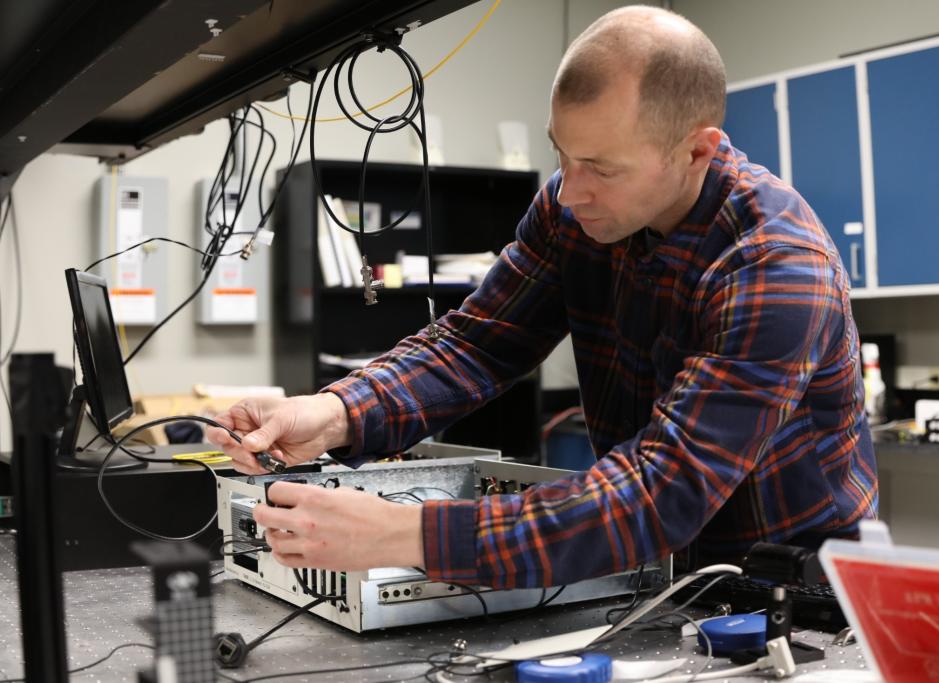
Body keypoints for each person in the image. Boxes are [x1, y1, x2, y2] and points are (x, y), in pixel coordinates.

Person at [209, 5, 877, 587]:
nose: (571, 188)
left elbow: (658, 493)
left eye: (603, 168)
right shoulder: (573, 210)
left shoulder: (775, 266)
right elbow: (475, 343)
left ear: (696, 152)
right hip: (661, 572)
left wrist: (401, 535)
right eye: (564, 154)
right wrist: (334, 412)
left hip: (792, 591)